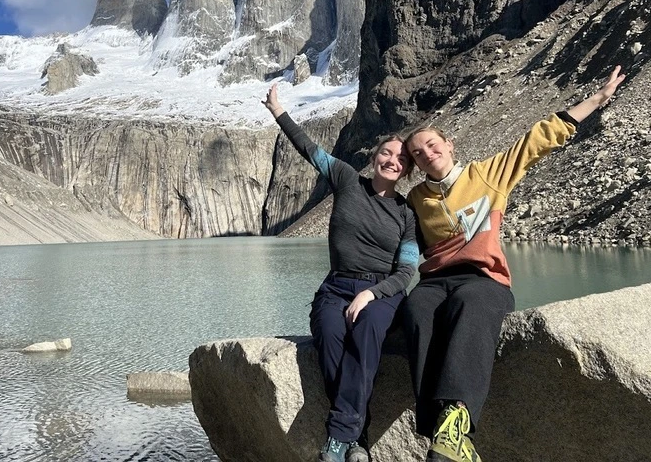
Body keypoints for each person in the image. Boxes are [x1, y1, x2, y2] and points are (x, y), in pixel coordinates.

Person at [401, 66, 626, 462]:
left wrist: (598, 99)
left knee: (469, 306)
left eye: (433, 145)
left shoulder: (486, 175)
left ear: (450, 144)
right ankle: (440, 431)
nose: (427, 154)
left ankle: (457, 420)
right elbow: (397, 237)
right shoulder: (417, 198)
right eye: (418, 153)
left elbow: (537, 140)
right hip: (435, 281)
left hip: (483, 278)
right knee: (417, 311)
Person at [263, 83, 420, 462]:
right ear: (376, 156)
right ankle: (357, 438)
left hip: (382, 290)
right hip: (336, 287)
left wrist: (372, 294)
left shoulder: (407, 214)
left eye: (400, 159)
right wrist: (278, 112)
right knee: (330, 335)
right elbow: (309, 150)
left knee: (366, 328)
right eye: (387, 152)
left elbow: (407, 270)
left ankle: (337, 441)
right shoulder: (348, 179)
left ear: (406, 170)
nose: (392, 160)